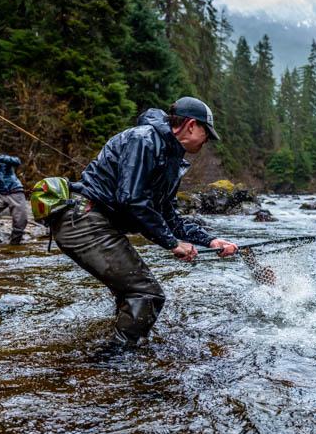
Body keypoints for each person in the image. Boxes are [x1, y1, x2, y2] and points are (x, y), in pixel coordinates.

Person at [50, 97, 238, 348]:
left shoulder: (171, 158)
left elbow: (169, 216)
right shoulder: (144, 139)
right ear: (191, 125)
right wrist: (172, 244)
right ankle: (113, 362)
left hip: (96, 223)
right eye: (206, 132)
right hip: (83, 219)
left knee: (133, 293)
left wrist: (210, 240)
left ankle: (115, 349)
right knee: (146, 294)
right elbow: (131, 199)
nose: (208, 140)